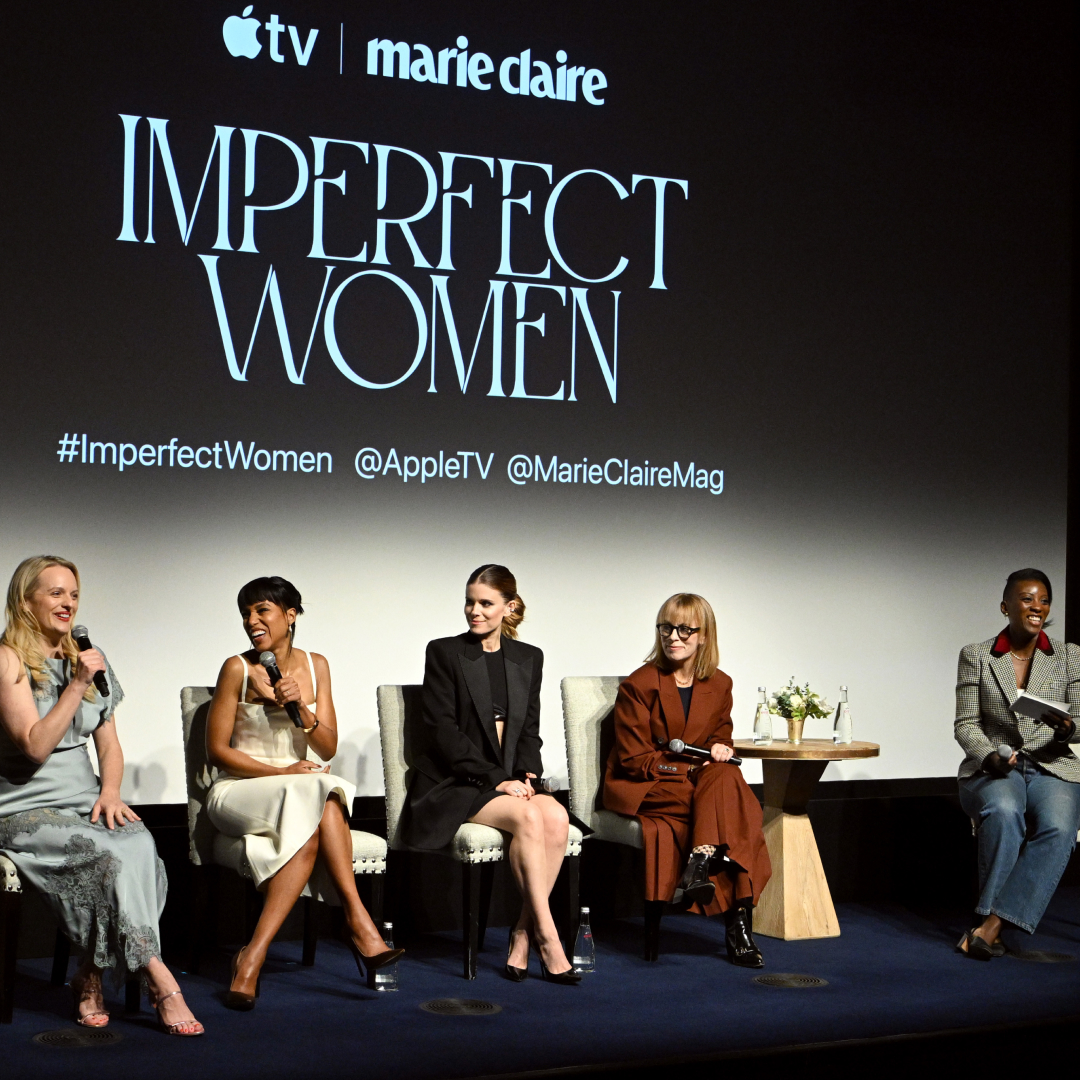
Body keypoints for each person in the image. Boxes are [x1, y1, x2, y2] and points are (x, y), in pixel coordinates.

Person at [0, 556, 202, 1034]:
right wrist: (76, 684)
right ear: (26, 601)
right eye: (54, 593)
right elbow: (34, 745)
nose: (67, 603)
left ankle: (89, 975)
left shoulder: (88, 658)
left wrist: (110, 791)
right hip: (24, 809)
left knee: (137, 842)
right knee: (106, 852)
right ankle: (161, 979)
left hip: (83, 800)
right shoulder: (8, 659)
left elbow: (109, 746)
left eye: (72, 594)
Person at [205, 576, 402, 1008]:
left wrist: (300, 708)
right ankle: (358, 920)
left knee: (318, 800)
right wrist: (284, 772)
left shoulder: (317, 665)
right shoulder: (236, 668)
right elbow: (218, 752)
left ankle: (251, 958)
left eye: (262, 611)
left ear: (290, 615)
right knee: (320, 791)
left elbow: (327, 746)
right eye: (246, 613)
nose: (251, 621)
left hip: (299, 788)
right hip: (241, 791)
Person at [403, 564, 579, 983]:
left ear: (509, 607)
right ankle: (549, 937)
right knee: (531, 817)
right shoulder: (444, 652)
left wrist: (528, 775)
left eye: (485, 603)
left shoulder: (528, 657)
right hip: (456, 781)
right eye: (470, 601)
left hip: (508, 778)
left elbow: (529, 732)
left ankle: (521, 934)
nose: (474, 611)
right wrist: (495, 778)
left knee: (555, 815)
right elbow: (443, 733)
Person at [603, 593, 771, 967]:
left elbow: (720, 737)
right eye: (666, 627)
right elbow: (633, 759)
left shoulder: (721, 684)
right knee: (738, 810)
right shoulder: (639, 684)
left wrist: (722, 750)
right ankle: (739, 925)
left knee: (725, 776)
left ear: (704, 636)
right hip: (647, 784)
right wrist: (691, 769)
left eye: (684, 629)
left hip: (699, 786)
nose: (673, 637)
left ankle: (701, 859)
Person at [954, 568, 1080, 959]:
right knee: (1005, 810)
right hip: (996, 766)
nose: (1036, 607)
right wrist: (989, 756)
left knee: (1060, 827)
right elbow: (966, 724)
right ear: (1006, 606)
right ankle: (988, 924)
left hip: (1053, 764)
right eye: (1027, 599)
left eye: (1043, 600)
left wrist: (1068, 728)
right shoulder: (976, 655)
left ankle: (990, 925)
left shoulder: (1070, 656)